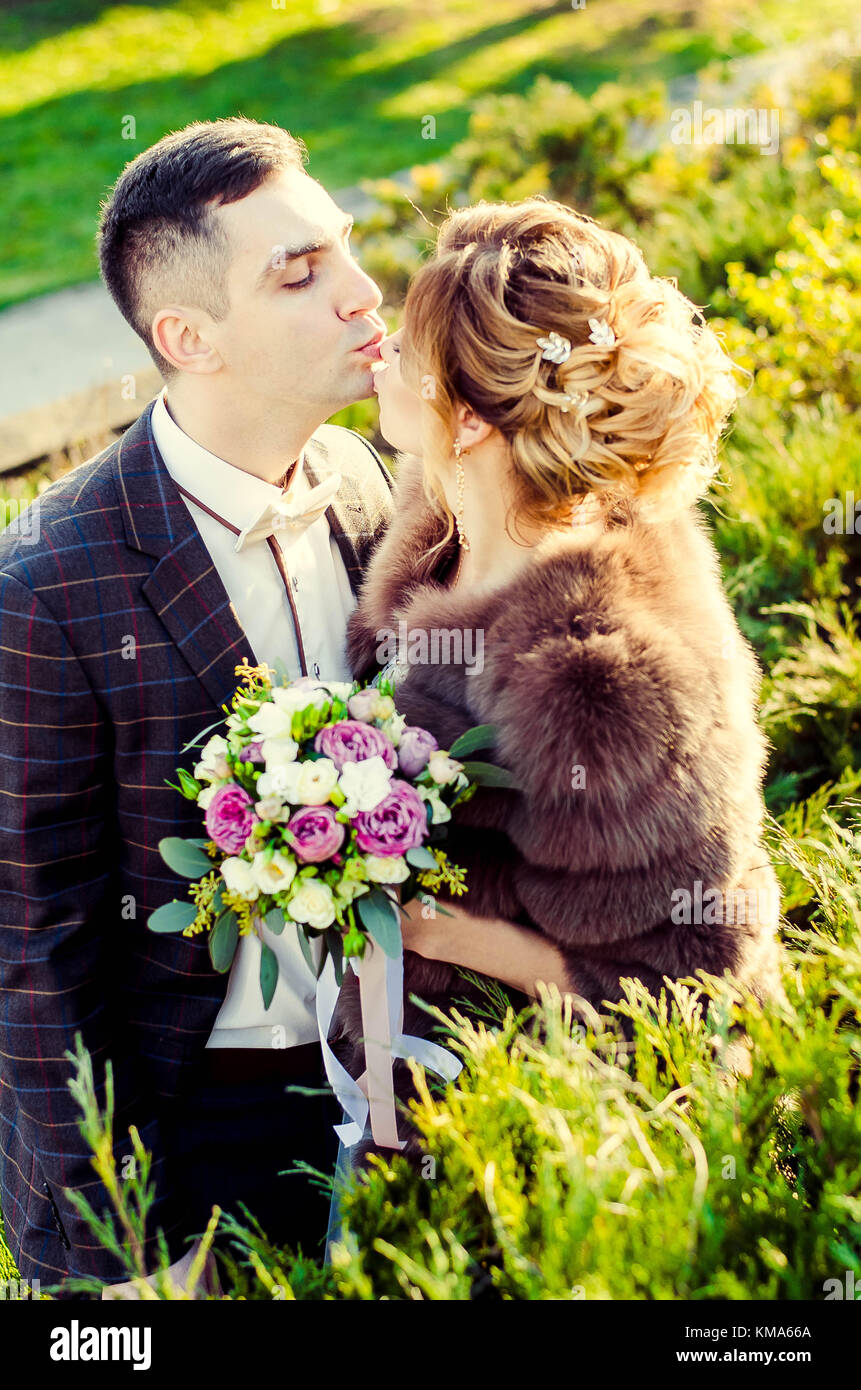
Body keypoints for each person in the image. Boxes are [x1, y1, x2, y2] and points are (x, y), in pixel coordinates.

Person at [0, 117, 393, 1298]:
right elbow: (35, 955)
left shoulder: (366, 479)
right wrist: (125, 1252)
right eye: (301, 272)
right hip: (197, 1119)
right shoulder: (45, 587)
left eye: (345, 249)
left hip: (390, 1079)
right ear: (188, 337)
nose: (363, 291)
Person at [331, 197, 783, 1163]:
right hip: (405, 1073)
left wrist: (443, 935)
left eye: (407, 356)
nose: (380, 359)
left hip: (545, 1126)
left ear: (470, 424)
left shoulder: (596, 684)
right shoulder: (444, 507)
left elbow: (693, 979)